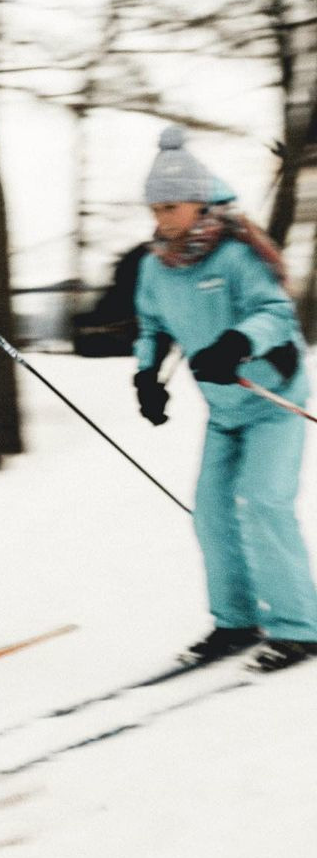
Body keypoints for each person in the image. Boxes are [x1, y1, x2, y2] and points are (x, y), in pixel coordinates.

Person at [133, 125, 317, 672]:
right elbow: (152, 325)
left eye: (170, 206)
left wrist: (237, 343)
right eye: (156, 208)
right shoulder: (156, 265)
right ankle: (236, 621)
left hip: (272, 399)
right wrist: (147, 375)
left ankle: (299, 626)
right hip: (225, 409)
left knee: (263, 502)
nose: (162, 218)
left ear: (199, 202)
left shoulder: (236, 254)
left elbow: (275, 314)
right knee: (211, 512)